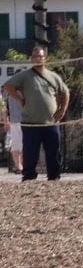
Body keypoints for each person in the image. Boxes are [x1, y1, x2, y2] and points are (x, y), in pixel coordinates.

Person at [3, 47, 69, 181]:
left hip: (51, 122)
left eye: (40, 56)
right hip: (30, 123)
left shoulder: (53, 76)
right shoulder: (24, 75)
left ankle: (54, 175)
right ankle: (29, 176)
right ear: (31, 59)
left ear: (45, 58)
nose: (37, 59)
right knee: (30, 151)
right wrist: (19, 99)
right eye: (34, 56)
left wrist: (62, 109)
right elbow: (8, 86)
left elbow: (65, 92)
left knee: (53, 151)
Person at [3, 84, 23, 174]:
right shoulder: (7, 90)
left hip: (25, 120)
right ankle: (18, 166)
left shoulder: (25, 87)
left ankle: (21, 165)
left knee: (23, 144)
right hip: (14, 121)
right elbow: (4, 107)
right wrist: (6, 121)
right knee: (15, 144)